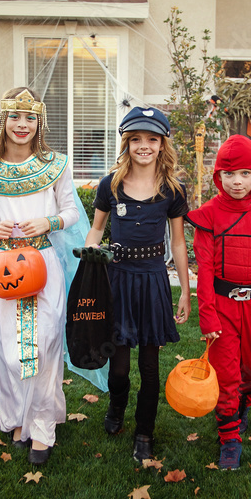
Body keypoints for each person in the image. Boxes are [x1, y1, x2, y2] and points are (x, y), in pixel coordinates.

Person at [0, 86, 94, 466]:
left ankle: (42, 428)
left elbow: (71, 211)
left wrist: (48, 222)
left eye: (30, 118)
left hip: (44, 263)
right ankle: (18, 418)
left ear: (40, 122)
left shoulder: (56, 166)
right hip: (3, 266)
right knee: (10, 349)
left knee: (45, 344)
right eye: (15, 117)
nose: (22, 125)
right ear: (3, 120)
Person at [85, 106, 190, 463]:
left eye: (152, 139)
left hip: (153, 282)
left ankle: (145, 431)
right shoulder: (110, 185)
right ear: (127, 144)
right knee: (118, 366)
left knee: (149, 367)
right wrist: (90, 257)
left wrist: (185, 291)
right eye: (136, 139)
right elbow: (97, 229)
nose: (144, 146)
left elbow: (178, 243)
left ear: (162, 144)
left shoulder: (172, 190)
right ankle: (116, 407)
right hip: (118, 281)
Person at [186, 134, 251, 470]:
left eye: (245, 174)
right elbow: (204, 270)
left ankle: (243, 405)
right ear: (218, 176)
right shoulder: (209, 215)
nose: (237, 182)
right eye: (229, 174)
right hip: (222, 306)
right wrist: (208, 317)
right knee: (227, 375)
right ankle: (229, 437)